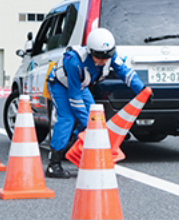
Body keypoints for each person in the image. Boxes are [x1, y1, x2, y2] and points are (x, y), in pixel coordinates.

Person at [45, 28, 146, 178]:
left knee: (96, 116)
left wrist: (141, 89)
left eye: (107, 56)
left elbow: (125, 71)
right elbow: (74, 97)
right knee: (67, 118)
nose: (104, 61)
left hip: (81, 85)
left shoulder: (109, 55)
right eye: (99, 57)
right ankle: (54, 164)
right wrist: (89, 124)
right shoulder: (73, 61)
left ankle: (78, 149)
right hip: (61, 85)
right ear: (91, 52)